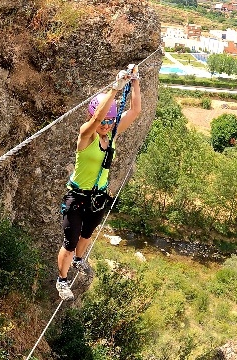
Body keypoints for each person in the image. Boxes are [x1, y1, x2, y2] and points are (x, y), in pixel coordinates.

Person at [56, 65, 142, 300]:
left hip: (98, 196)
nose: (106, 125)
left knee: (87, 235)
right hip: (76, 196)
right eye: (104, 121)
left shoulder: (111, 135)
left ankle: (79, 260)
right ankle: (62, 281)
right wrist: (114, 89)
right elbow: (95, 119)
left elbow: (135, 111)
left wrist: (135, 81)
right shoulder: (87, 135)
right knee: (70, 241)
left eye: (110, 121)